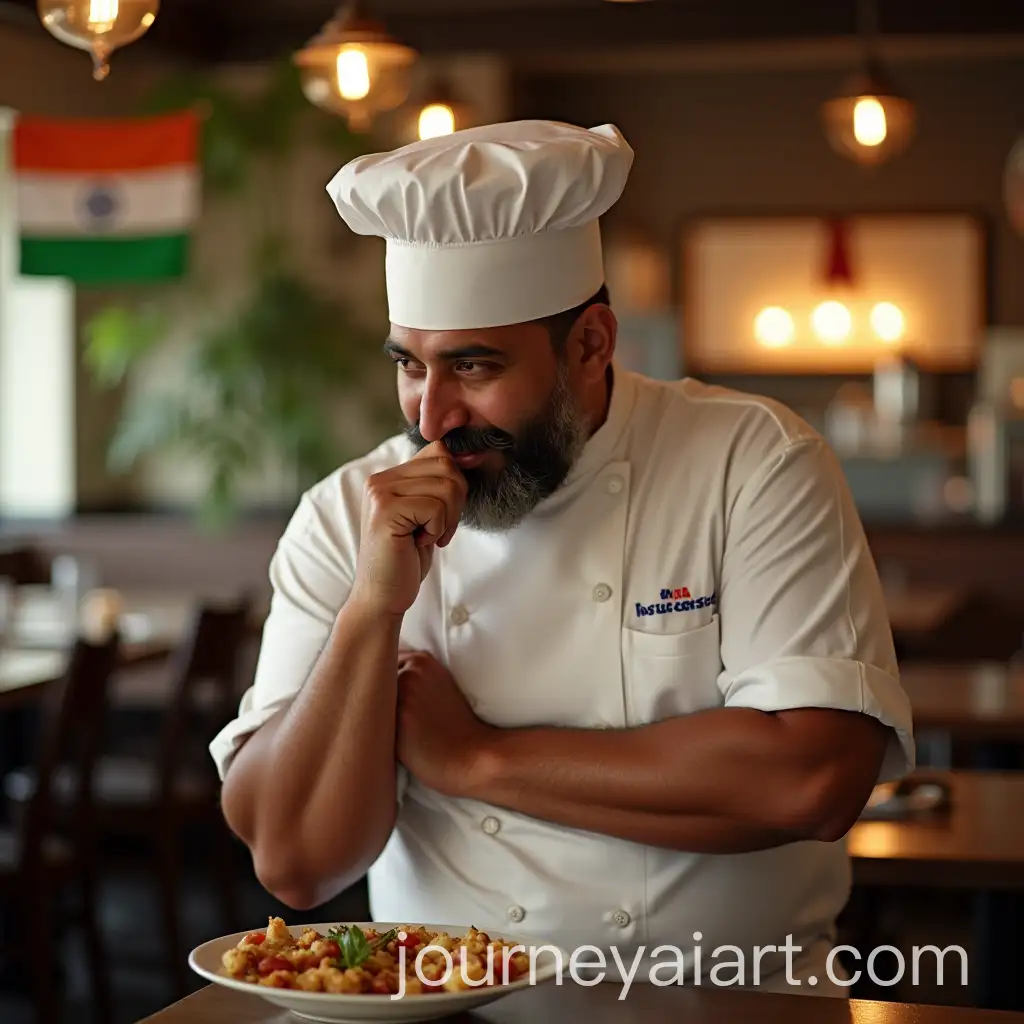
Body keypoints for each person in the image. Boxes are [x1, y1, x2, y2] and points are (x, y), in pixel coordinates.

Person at [211, 120, 914, 996]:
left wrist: (476, 760)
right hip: (445, 1011)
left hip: (732, 1002)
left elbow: (812, 780)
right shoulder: (345, 514)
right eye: (410, 366)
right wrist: (371, 612)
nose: (431, 418)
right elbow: (294, 861)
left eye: (473, 367)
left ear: (591, 343)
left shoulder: (753, 461)